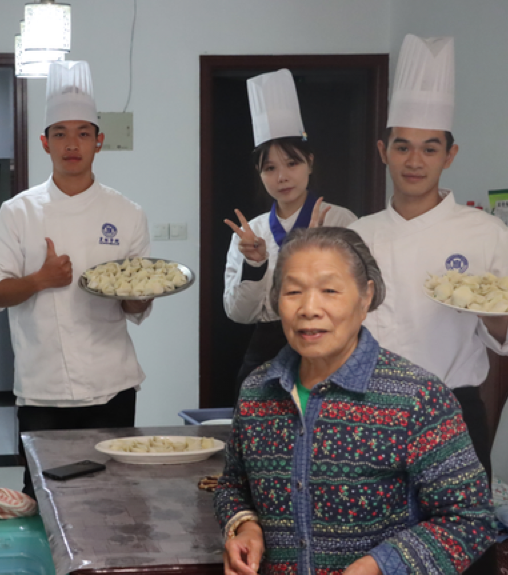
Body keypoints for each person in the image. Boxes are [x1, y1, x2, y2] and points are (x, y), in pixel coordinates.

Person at [214, 227, 497, 575]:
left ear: (366, 298)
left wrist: (381, 565)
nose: (309, 308)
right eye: (293, 291)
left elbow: (470, 519)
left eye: (330, 290)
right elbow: (233, 486)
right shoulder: (258, 391)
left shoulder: (417, 397)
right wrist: (245, 526)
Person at [348, 36, 508, 574]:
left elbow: (504, 339)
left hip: (454, 412)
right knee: (376, 549)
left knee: (463, 551)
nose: (414, 161)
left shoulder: (486, 233)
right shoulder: (358, 235)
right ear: (383, 151)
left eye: (430, 148)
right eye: (402, 147)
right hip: (372, 413)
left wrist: (495, 315)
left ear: (450, 155)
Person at [0, 60, 151, 498]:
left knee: (114, 495)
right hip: (43, 389)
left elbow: (137, 304)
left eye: (83, 133)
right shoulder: (17, 212)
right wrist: (40, 279)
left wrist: (140, 294)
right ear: (44, 143)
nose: (72, 144)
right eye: (60, 134)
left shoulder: (127, 213)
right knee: (42, 495)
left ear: (99, 142)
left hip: (112, 385)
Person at [224, 69, 357, 396]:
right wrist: (255, 265)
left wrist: (316, 254)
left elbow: (359, 300)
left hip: (328, 346)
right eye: (270, 168)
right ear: (259, 174)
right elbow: (238, 314)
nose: (282, 177)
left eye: (292, 164)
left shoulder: (341, 221)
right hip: (266, 350)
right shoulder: (250, 232)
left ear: (310, 162)